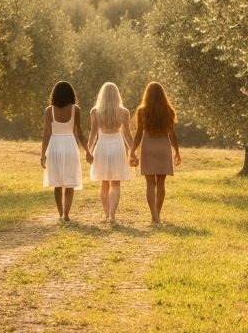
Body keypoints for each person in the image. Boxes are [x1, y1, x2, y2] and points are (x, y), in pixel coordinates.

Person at [129, 81, 181, 225]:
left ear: (147, 94)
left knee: (150, 184)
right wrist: (177, 151)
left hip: (148, 148)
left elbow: (139, 134)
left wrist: (132, 151)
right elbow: (172, 134)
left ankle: (154, 217)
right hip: (163, 148)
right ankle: (157, 215)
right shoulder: (169, 110)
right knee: (161, 183)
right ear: (163, 95)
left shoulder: (142, 111)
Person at [40, 80, 92, 222]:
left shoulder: (49, 110)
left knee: (57, 183)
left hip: (55, 146)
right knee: (69, 182)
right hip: (70, 145)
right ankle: (66, 214)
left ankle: (60, 213)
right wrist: (88, 150)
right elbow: (80, 133)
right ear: (71, 94)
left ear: (54, 95)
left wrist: (42, 154)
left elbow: (46, 134)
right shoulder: (75, 109)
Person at [88, 81, 134, 223]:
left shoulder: (95, 111)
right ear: (117, 95)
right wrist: (133, 151)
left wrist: (89, 150)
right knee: (115, 183)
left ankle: (107, 214)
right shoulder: (123, 112)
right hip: (117, 147)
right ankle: (112, 216)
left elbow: (93, 134)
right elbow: (127, 134)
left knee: (104, 183)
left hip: (102, 147)